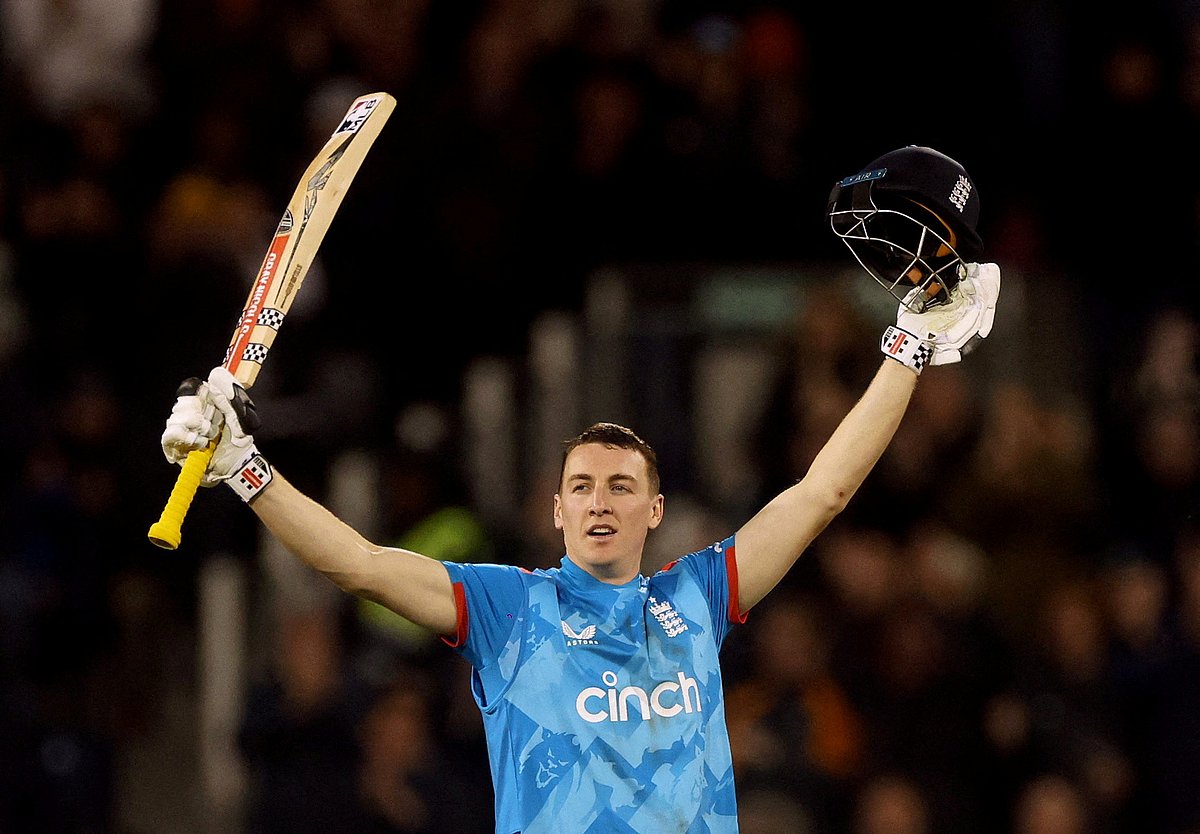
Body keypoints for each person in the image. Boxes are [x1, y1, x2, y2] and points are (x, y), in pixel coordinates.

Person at [159, 145, 1001, 833]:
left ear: (656, 511)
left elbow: (823, 492)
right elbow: (360, 565)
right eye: (583, 486)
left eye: (622, 486)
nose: (601, 499)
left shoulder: (700, 595)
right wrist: (243, 468)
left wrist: (909, 345)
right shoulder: (506, 611)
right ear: (556, 511)